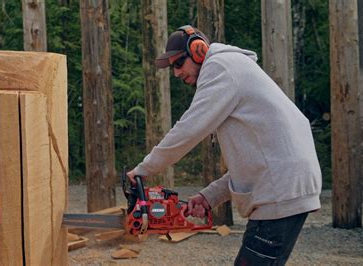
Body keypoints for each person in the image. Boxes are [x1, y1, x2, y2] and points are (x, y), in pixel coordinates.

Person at [126, 25, 322, 265]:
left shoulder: (220, 68)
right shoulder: (232, 70)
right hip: (281, 183)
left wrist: (144, 169)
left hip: (279, 189)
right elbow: (252, 161)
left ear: (198, 51)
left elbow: (189, 128)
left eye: (179, 64)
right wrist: (210, 196)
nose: (176, 73)